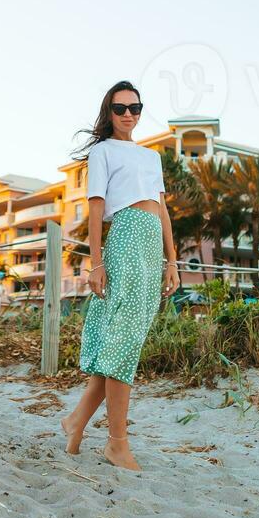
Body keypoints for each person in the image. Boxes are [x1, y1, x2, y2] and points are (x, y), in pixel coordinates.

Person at [61, 80, 180, 470]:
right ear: (108, 113)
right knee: (123, 345)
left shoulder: (151, 157)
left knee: (123, 344)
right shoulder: (102, 152)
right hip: (125, 241)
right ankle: (116, 443)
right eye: (120, 108)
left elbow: (162, 209)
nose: (128, 114)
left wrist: (172, 260)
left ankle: (77, 421)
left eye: (135, 107)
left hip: (150, 248)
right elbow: (96, 210)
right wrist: (96, 263)